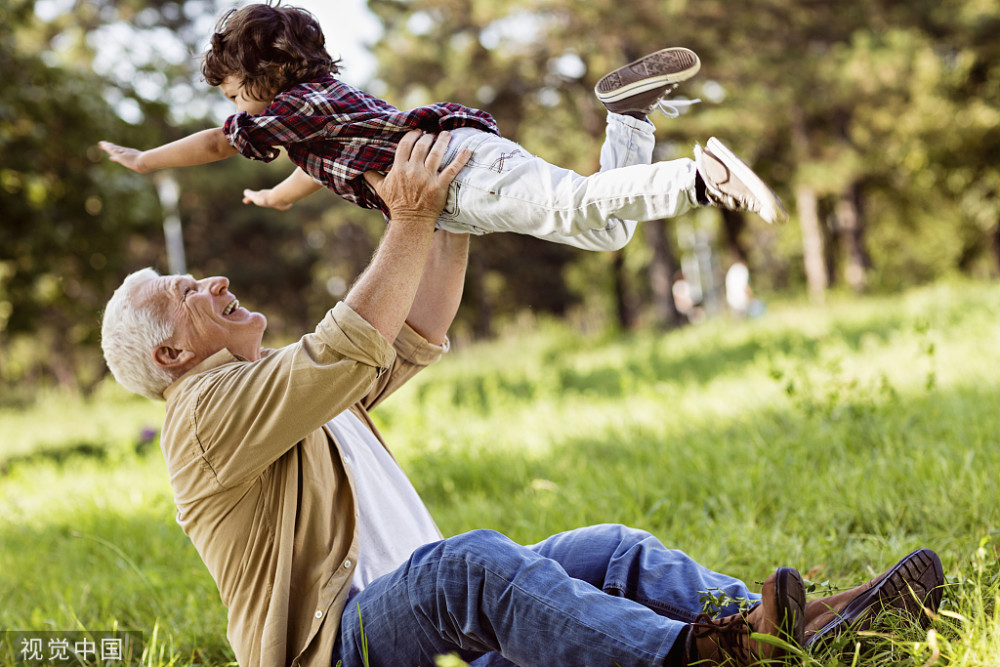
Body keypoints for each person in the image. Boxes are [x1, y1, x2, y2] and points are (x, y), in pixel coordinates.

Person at [101, 130, 943, 667]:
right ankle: (695, 659)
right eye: (185, 289)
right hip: (341, 649)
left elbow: (409, 334)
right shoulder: (205, 415)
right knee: (464, 564)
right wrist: (406, 219)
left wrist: (451, 213)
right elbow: (344, 345)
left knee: (608, 550)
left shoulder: (274, 393)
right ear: (172, 352)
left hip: (424, 630)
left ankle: (802, 628)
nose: (211, 278)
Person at [99, 3, 788, 255]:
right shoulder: (320, 111)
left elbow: (221, 141)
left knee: (573, 205)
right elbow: (312, 169)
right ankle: (628, 117)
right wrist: (276, 198)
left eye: (231, 92)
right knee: (603, 228)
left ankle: (703, 177)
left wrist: (147, 161)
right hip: (461, 171)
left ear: (262, 78)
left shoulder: (293, 108)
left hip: (457, 175)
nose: (236, 109)